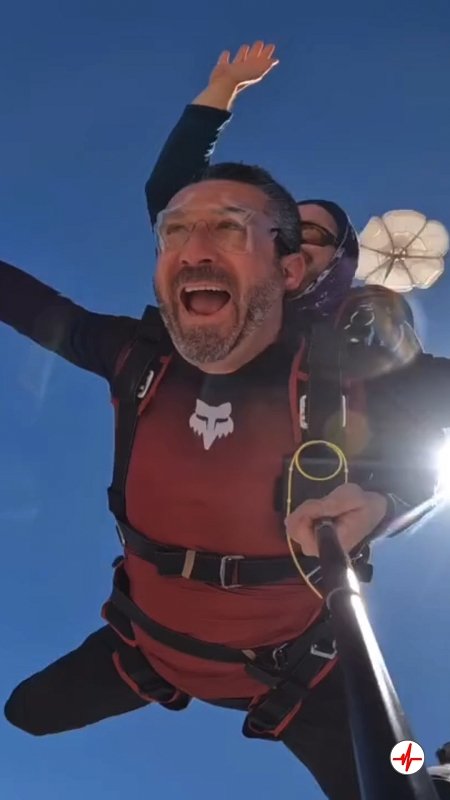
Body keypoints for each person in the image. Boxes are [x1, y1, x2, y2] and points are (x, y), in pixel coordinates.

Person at [2, 160, 450, 800]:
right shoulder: (138, 357)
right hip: (147, 648)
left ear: (291, 269)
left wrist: (387, 501)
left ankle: (433, 770)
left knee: (403, 779)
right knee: (24, 713)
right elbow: (36, 306)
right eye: (176, 233)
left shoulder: (358, 378)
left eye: (233, 230)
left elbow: (429, 456)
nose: (197, 250)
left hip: (298, 672)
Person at [145, 42, 360, 323]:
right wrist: (225, 87)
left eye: (309, 233)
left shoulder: (359, 341)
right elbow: (173, 196)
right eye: (282, 231)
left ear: (340, 258)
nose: (293, 242)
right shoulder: (205, 324)